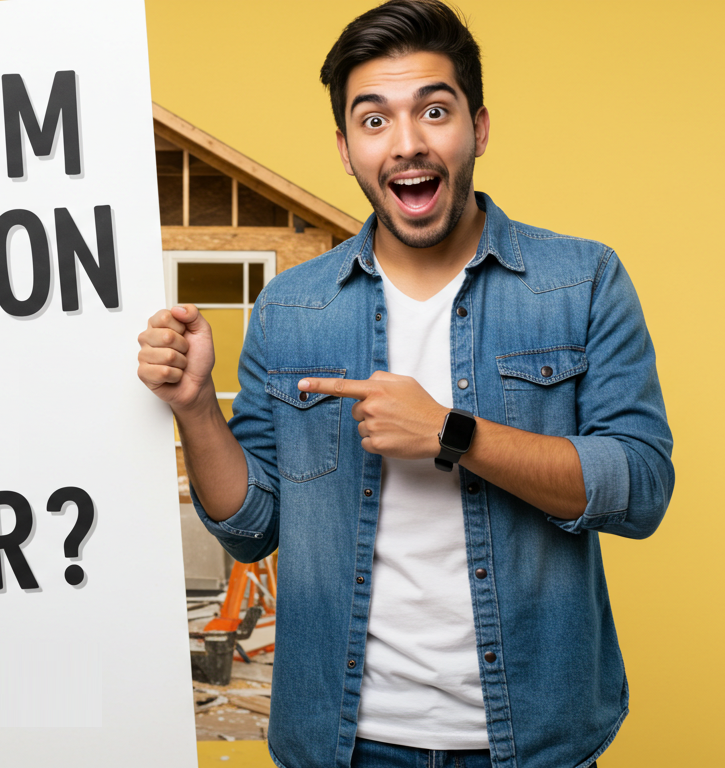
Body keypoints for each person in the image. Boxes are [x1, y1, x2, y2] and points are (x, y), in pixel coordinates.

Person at [136, 2, 674, 766]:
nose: (408, 143)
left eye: (434, 110)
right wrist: (195, 410)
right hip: (344, 742)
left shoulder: (582, 282)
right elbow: (251, 527)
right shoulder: (292, 308)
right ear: (346, 147)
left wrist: (453, 434)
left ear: (478, 128)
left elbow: (641, 488)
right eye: (375, 120)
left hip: (534, 741)